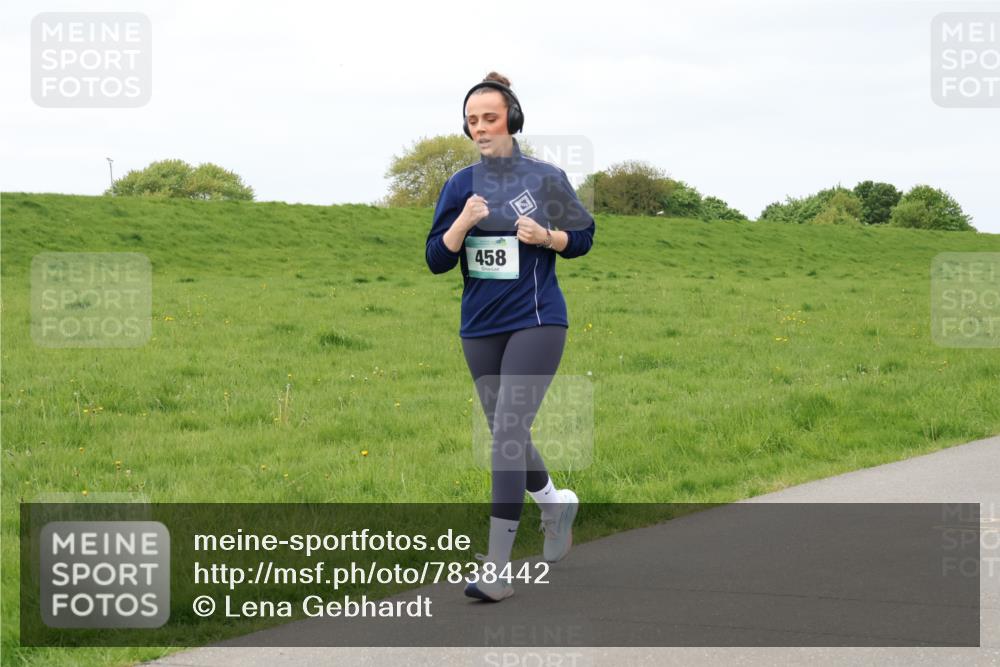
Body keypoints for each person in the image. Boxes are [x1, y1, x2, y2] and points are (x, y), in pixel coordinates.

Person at [425, 71, 596, 602]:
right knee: (510, 433)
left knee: (506, 431)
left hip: (537, 320)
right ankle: (552, 503)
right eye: (472, 121)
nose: (480, 128)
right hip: (479, 326)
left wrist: (549, 235)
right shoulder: (459, 185)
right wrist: (461, 225)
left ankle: (496, 569)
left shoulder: (544, 178)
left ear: (513, 120)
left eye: (490, 118)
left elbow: (584, 237)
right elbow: (435, 258)